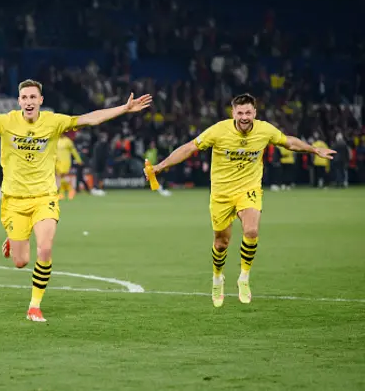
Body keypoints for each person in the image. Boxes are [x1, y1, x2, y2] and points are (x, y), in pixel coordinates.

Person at [0, 79, 152, 322]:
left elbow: (89, 118)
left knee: (45, 248)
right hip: (13, 200)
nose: (28, 102)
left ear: (40, 101)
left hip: (44, 196)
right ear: (19, 101)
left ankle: (34, 306)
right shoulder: (6, 121)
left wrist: (123, 108)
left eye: (33, 97)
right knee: (20, 261)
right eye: (24, 97)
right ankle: (13, 239)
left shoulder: (54, 122)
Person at [144, 93, 335, 308]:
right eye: (240, 112)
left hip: (249, 189)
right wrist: (160, 166)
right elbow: (189, 148)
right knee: (221, 243)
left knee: (251, 231)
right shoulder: (218, 131)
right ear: (233, 113)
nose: (244, 117)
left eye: (248, 112)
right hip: (221, 194)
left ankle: (244, 277)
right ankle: (217, 278)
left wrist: (314, 149)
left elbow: (288, 142)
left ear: (255, 113)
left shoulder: (265, 130)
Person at [56, 133, 83, 200]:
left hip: (65, 162)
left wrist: (78, 160)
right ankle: (65, 193)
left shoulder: (68, 141)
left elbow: (73, 151)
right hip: (57, 162)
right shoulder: (56, 140)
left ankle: (70, 190)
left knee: (62, 177)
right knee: (60, 178)